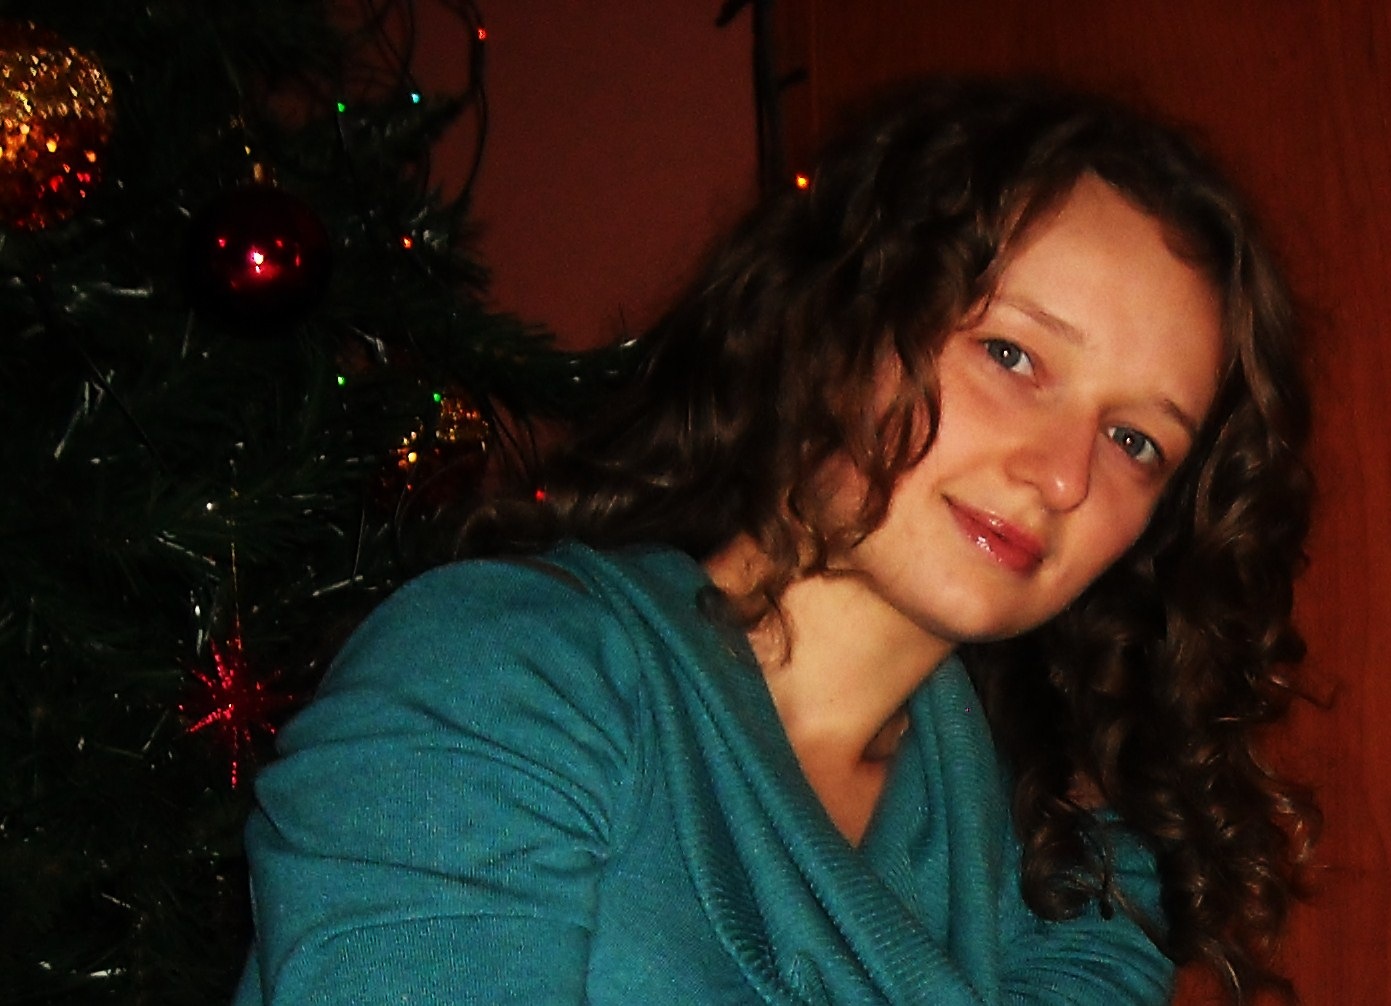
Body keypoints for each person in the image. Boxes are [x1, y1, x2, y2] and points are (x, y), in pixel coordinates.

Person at [234, 78, 1317, 1004]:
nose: (1063, 474)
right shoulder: (499, 676)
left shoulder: (1079, 884)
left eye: (1134, 440)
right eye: (1010, 355)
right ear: (843, 316)